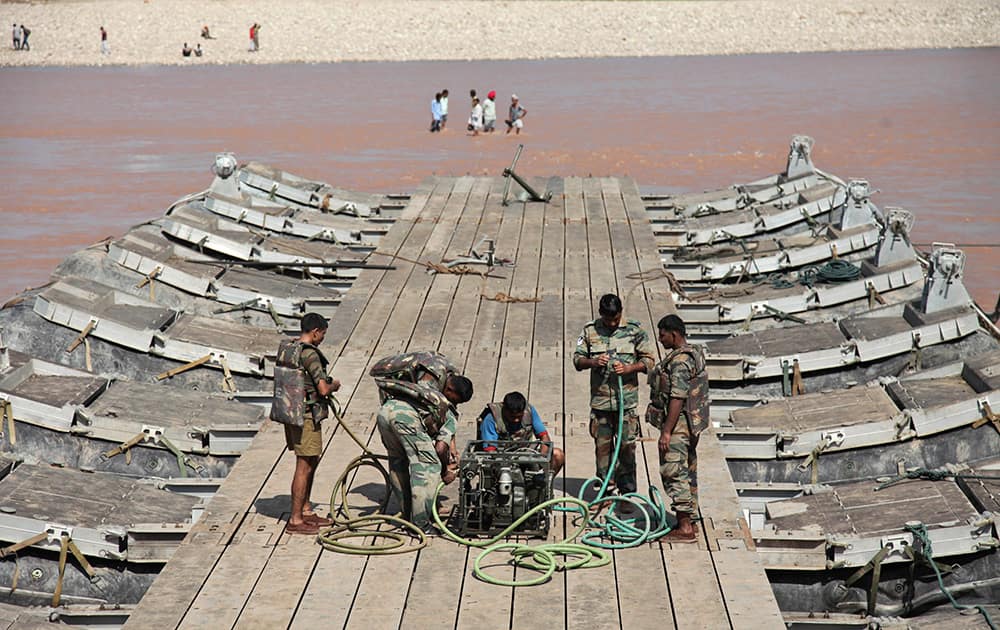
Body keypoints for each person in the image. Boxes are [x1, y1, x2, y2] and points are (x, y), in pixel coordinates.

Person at [573, 293, 655, 498]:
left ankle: (627, 493)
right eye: (608, 319)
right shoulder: (590, 330)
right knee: (602, 449)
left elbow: (649, 362)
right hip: (601, 403)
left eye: (616, 319)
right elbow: (577, 360)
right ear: (600, 314)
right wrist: (593, 362)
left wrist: (629, 368)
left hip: (625, 404)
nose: (612, 323)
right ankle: (606, 490)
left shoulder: (635, 331)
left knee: (627, 449)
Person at [273, 313, 341, 534]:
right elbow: (322, 388)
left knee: (311, 459)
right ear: (315, 332)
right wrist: (334, 386)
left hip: (291, 413)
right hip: (307, 416)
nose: (322, 338)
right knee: (304, 465)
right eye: (322, 334)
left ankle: (306, 509)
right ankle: (295, 520)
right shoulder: (310, 354)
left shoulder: (290, 347)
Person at [647, 314, 710, 543]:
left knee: (673, 471)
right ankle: (690, 518)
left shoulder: (680, 362)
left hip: (679, 425)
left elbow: (677, 396)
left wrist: (666, 431)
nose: (660, 340)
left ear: (674, 334)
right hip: (693, 424)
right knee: (688, 470)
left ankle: (685, 528)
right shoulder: (696, 352)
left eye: (663, 336)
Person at [478, 391, 565, 474]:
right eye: (513, 417)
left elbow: (544, 437)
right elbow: (490, 450)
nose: (516, 420)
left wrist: (541, 459)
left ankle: (544, 484)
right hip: (501, 458)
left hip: (526, 453)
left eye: (519, 416)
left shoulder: (529, 411)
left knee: (558, 455)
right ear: (505, 410)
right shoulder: (491, 419)